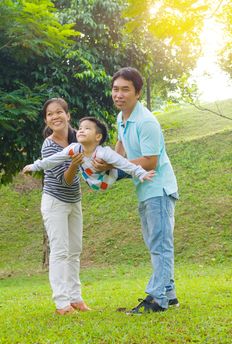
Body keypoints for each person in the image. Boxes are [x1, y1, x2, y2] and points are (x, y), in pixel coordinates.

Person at [93, 67, 179, 314]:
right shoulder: (122, 118)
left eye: (125, 90)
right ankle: (169, 293)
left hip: (158, 188)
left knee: (160, 245)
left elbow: (150, 161)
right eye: (115, 89)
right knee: (155, 243)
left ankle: (157, 299)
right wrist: (105, 163)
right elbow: (120, 148)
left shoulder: (146, 121)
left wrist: (113, 163)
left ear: (138, 93)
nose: (118, 94)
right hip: (144, 188)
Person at [28, 97, 90, 315]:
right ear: (46, 120)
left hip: (75, 200)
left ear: (68, 115)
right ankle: (61, 303)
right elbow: (65, 179)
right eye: (50, 114)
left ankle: (76, 298)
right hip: (55, 202)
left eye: (58, 112)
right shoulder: (49, 146)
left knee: (75, 250)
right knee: (60, 251)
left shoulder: (78, 137)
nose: (55, 117)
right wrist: (74, 164)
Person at [23, 117, 155, 187]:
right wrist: (34, 166)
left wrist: (140, 173)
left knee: (122, 168)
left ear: (98, 137)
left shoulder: (104, 153)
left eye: (87, 128)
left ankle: (148, 170)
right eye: (80, 128)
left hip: (109, 178)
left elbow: (124, 163)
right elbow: (53, 159)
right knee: (81, 161)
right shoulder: (74, 148)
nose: (81, 130)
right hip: (92, 182)